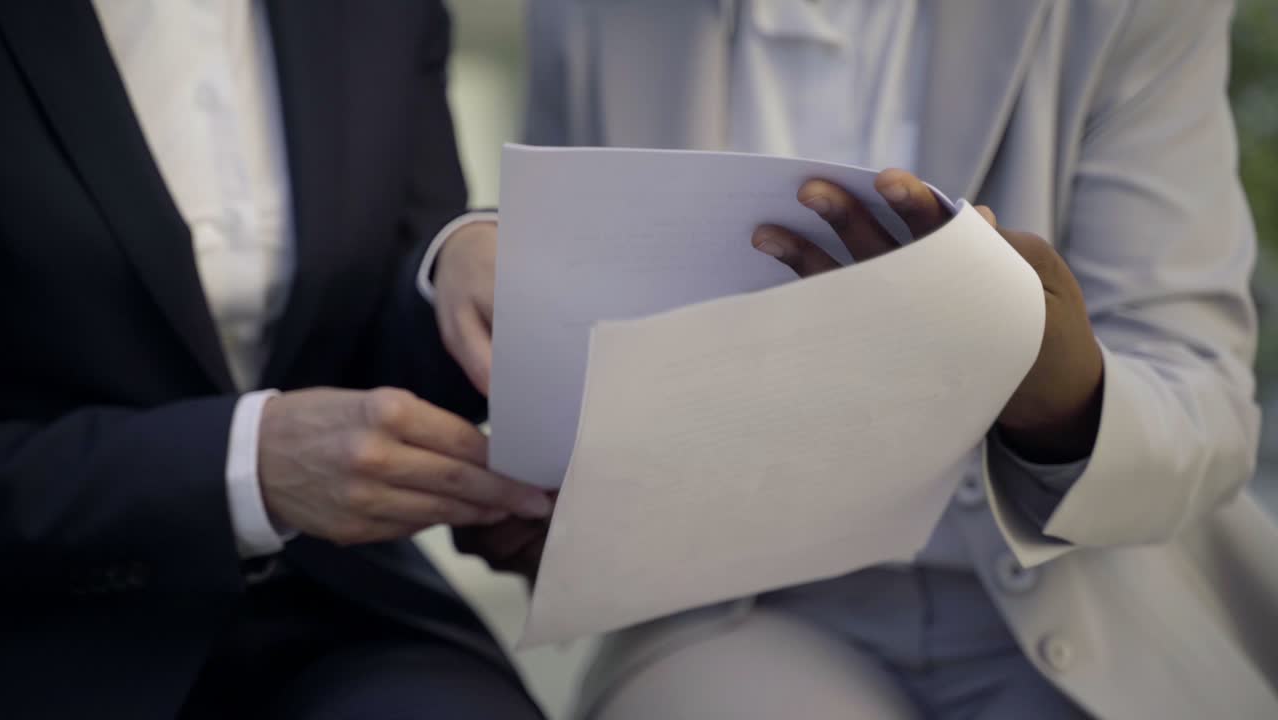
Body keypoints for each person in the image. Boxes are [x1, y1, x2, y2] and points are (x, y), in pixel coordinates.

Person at [446, 0, 1278, 717]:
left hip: (1093, 599)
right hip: (740, 608)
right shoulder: (596, 15)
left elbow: (1203, 406)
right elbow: (587, 315)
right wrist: (556, 495)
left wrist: (1058, 398)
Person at [0, 2, 551, 718]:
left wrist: (452, 268)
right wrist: (240, 469)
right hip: (38, 622)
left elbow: (371, 340)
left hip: (334, 600)